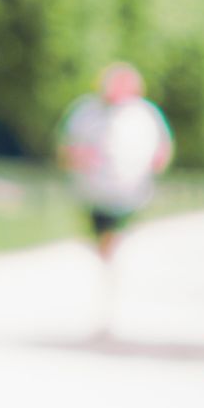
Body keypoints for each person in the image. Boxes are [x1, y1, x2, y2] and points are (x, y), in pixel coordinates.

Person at [56, 62, 174, 265]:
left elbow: (164, 147)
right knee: (100, 236)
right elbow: (66, 147)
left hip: (131, 193)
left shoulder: (145, 114)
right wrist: (77, 158)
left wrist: (157, 162)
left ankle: (111, 260)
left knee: (117, 237)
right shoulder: (85, 110)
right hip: (92, 192)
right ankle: (105, 260)